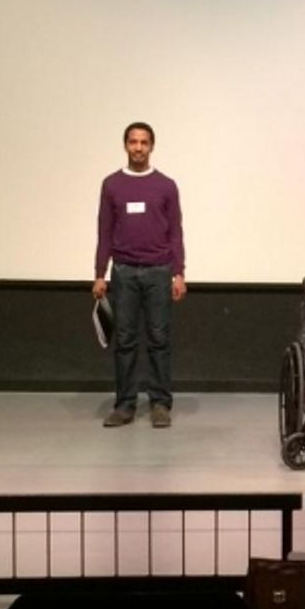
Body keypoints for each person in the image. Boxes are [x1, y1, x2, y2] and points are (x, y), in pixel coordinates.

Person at [93, 122, 186, 428]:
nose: (138, 148)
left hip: (159, 272)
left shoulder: (166, 186)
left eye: (144, 142)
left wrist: (179, 273)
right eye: (133, 142)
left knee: (159, 339)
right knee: (125, 340)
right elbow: (104, 231)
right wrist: (99, 273)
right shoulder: (112, 185)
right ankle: (125, 404)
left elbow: (175, 232)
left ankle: (160, 403)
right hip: (123, 272)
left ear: (152, 146)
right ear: (125, 145)